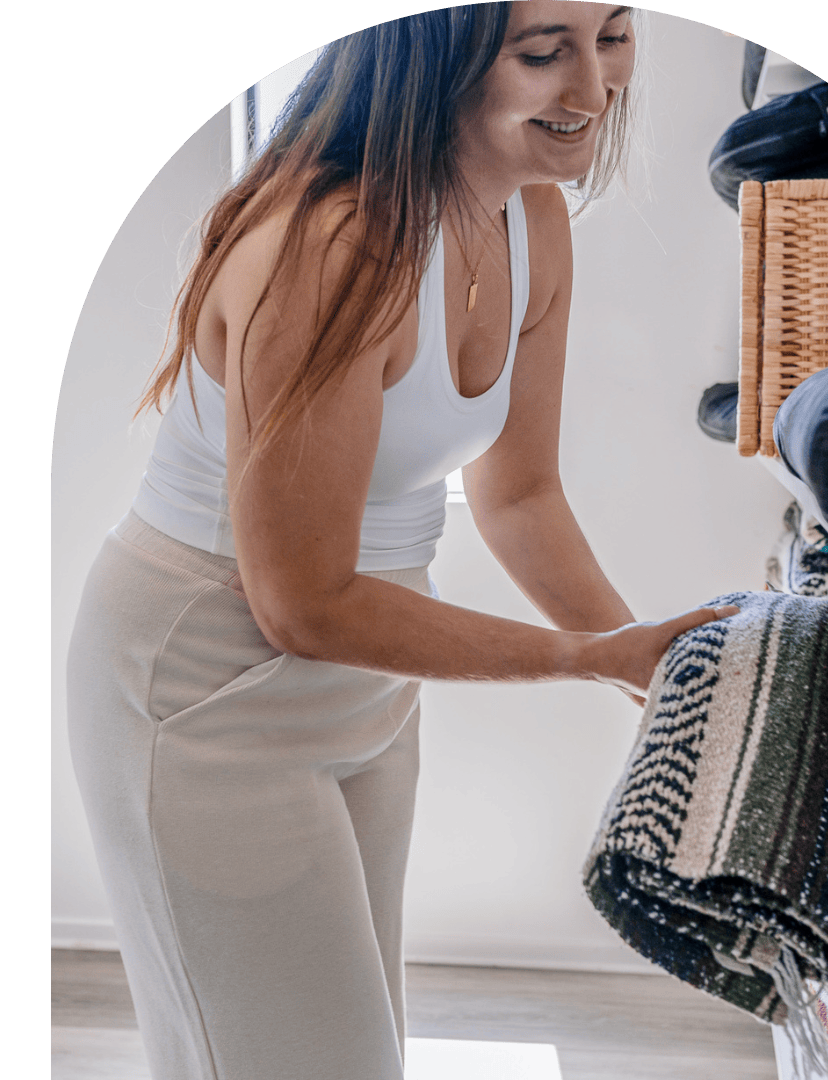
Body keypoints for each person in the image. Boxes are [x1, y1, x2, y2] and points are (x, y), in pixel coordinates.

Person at [67, 5, 736, 1078]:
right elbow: (304, 601)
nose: (595, 87)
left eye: (611, 37)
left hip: (368, 686)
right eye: (541, 51)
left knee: (350, 1051)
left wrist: (642, 663)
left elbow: (518, 494)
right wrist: (579, 660)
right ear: (435, 55)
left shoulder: (533, 220)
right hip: (201, 688)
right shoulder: (330, 247)